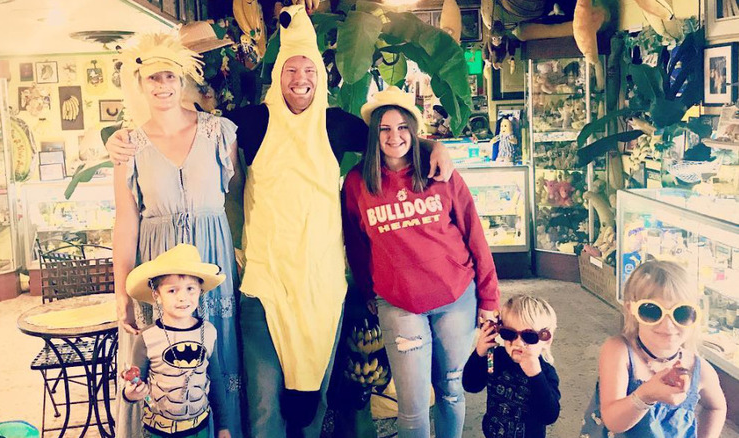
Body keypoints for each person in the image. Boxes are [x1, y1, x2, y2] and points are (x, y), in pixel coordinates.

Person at [107, 6, 455, 437]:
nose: (300, 78)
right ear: (278, 75)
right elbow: (187, 131)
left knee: (312, 407)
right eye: (291, 68)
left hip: (322, 289)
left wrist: (431, 145)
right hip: (264, 286)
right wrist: (122, 137)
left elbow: (392, 137)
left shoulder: (335, 125)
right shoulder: (248, 124)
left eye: (308, 68)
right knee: (265, 405)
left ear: (321, 76)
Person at [341, 86, 500, 438]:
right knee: (412, 410)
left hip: (456, 297)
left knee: (451, 391)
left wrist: (489, 300)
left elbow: (474, 234)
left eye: (402, 127)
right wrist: (369, 291)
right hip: (398, 304)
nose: (394, 136)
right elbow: (356, 244)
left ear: (413, 131)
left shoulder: (438, 172)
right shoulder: (357, 183)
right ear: (374, 135)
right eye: (384, 128)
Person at [112, 32, 244, 438]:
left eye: (170, 76)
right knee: (160, 357)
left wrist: (245, 257)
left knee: (215, 353)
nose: (163, 86)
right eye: (153, 78)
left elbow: (239, 202)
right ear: (140, 83)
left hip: (211, 257)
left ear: (183, 78)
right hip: (157, 263)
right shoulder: (127, 145)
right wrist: (122, 291)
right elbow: (125, 220)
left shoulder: (219, 131)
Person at [583, 261, 726, 438]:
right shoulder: (619, 352)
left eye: (681, 313)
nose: (667, 325)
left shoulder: (699, 369)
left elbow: (717, 407)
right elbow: (614, 422)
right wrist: (646, 395)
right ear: (631, 310)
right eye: (652, 311)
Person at [123, 244, 231, 438]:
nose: (182, 297)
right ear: (157, 294)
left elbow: (215, 381)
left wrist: (223, 426)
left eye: (190, 289)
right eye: (172, 291)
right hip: (158, 430)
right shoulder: (147, 338)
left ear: (200, 291)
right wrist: (131, 393)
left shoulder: (208, 332)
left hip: (200, 428)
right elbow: (135, 383)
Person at [462, 295, 560, 438]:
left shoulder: (545, 372)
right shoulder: (495, 358)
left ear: (546, 340)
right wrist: (480, 354)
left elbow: (549, 416)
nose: (518, 343)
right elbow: (471, 385)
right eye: (509, 334)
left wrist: (535, 376)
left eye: (529, 337)